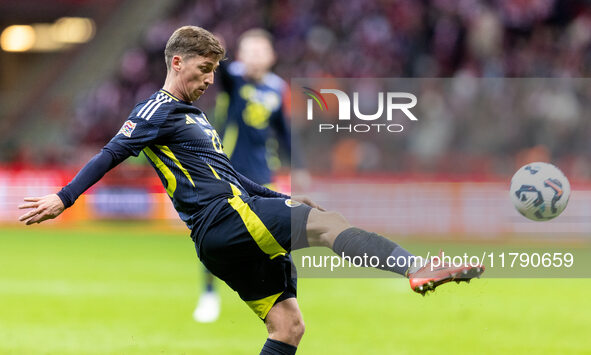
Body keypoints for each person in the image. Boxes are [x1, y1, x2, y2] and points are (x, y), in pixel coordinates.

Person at [18, 26, 484, 355]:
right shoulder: (156, 109)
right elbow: (112, 152)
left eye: (214, 71)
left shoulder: (195, 117)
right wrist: (64, 197)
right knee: (328, 225)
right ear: (176, 62)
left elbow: (232, 177)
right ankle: (415, 268)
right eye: (203, 69)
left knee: (288, 327)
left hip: (225, 229)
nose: (209, 80)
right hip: (224, 221)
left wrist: (281, 197)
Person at [193, 28, 309, 323]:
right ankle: (208, 294)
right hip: (226, 171)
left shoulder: (277, 88)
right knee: (215, 238)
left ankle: (284, 297)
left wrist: (300, 166)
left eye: (261, 51)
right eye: (249, 51)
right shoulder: (232, 79)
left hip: (262, 173)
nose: (255, 57)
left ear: (272, 56)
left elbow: (283, 130)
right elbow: (225, 69)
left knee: (282, 234)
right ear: (240, 56)